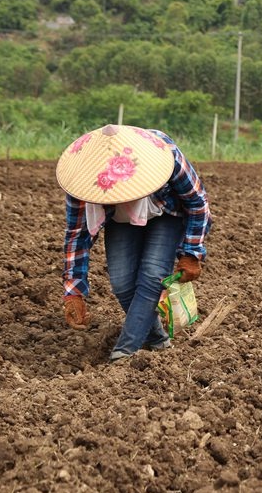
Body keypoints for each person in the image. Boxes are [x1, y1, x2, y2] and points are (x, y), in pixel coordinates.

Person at [56, 124, 212, 363]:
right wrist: (74, 291)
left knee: (152, 276)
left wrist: (191, 253)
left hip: (166, 213)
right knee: (122, 283)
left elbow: (197, 202)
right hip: (121, 218)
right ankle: (157, 340)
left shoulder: (164, 154)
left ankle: (124, 352)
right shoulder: (81, 178)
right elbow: (78, 233)